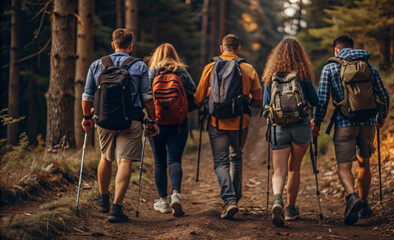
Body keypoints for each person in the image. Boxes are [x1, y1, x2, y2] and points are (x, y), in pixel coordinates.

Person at [81, 28, 158, 222]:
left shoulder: (97, 64)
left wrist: (86, 117)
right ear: (130, 46)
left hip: (104, 120)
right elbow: (147, 97)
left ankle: (103, 200)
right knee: (124, 162)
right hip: (130, 120)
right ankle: (116, 208)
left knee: (106, 158)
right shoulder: (139, 67)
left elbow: (87, 96)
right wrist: (153, 120)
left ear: (112, 45)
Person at [312, 35, 389, 225]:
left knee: (344, 166)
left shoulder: (330, 68)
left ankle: (352, 196)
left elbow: (321, 100)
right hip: (368, 122)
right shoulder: (370, 67)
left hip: (344, 123)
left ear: (336, 50)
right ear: (352, 48)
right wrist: (381, 117)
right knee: (365, 163)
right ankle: (364, 205)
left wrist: (317, 122)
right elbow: (384, 96)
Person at [194, 34, 263, 219]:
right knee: (236, 158)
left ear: (221, 48)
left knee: (221, 162)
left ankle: (229, 198)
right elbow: (258, 99)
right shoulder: (247, 68)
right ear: (238, 49)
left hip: (216, 122)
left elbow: (198, 97)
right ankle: (235, 197)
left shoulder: (210, 67)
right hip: (241, 122)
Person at [262, 38, 319, 226]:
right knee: (295, 168)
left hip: (279, 128)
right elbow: (315, 100)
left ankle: (277, 199)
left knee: (279, 170)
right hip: (301, 126)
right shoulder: (302, 75)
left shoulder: (271, 76)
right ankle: (291, 209)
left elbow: (264, 106)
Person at [147, 43, 196, 216]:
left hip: (156, 123)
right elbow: (194, 93)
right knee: (174, 160)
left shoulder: (152, 72)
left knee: (159, 161)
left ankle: (163, 201)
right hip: (178, 124)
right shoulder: (180, 71)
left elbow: (145, 95)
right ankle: (176, 194)